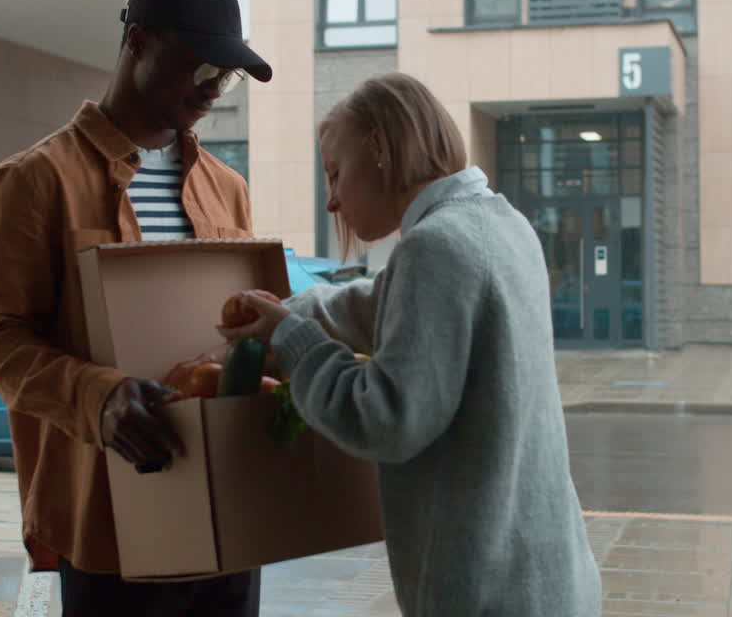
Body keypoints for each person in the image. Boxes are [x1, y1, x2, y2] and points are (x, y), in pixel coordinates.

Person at [218, 72, 602, 616]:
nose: (332, 201)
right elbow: (384, 303)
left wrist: (295, 342)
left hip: (487, 594)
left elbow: (385, 419)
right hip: (549, 577)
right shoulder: (501, 223)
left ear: (379, 148)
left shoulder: (434, 247)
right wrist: (290, 312)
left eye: (335, 172)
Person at [0, 0, 271, 617]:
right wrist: (98, 397)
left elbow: (243, 335)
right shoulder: (35, 181)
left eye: (228, 74)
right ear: (137, 42)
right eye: (201, 66)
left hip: (227, 514)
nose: (214, 88)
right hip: (107, 524)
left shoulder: (229, 188)